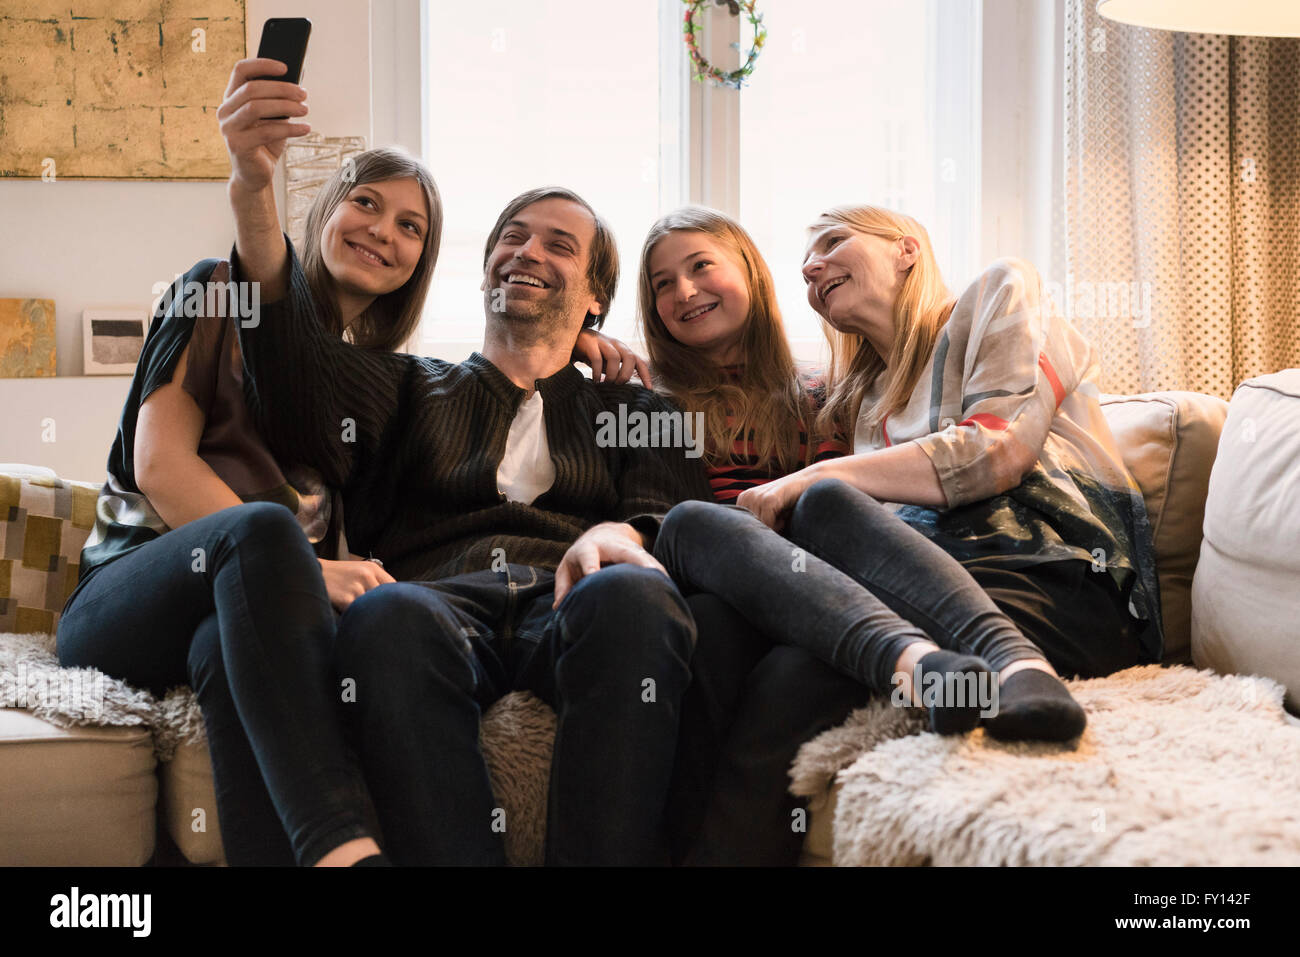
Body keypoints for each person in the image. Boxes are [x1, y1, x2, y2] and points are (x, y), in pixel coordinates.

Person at [58, 57, 644, 867]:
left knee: (221, 650)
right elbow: (161, 466)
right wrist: (304, 568)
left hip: (235, 614)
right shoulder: (216, 293)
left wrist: (570, 333)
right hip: (128, 593)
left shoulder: (375, 383)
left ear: (423, 264)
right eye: (366, 203)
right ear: (325, 212)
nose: (383, 230)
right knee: (260, 535)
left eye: (412, 227)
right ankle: (342, 851)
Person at [226, 146, 718, 862]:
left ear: (595, 297)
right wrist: (253, 186)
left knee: (639, 599)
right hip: (435, 602)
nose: (527, 251)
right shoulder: (402, 385)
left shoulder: (636, 407)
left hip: (573, 598)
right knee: (386, 614)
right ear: (486, 266)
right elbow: (286, 361)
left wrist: (621, 535)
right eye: (512, 237)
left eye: (559, 245)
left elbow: (671, 520)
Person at [641, 205, 1160, 864]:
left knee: (824, 499)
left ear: (906, 248)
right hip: (922, 603)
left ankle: (1015, 661)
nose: (811, 266)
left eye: (833, 242)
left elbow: (994, 451)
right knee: (782, 675)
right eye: (806, 263)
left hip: (1057, 583)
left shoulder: (999, 294)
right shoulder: (864, 399)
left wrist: (821, 478)